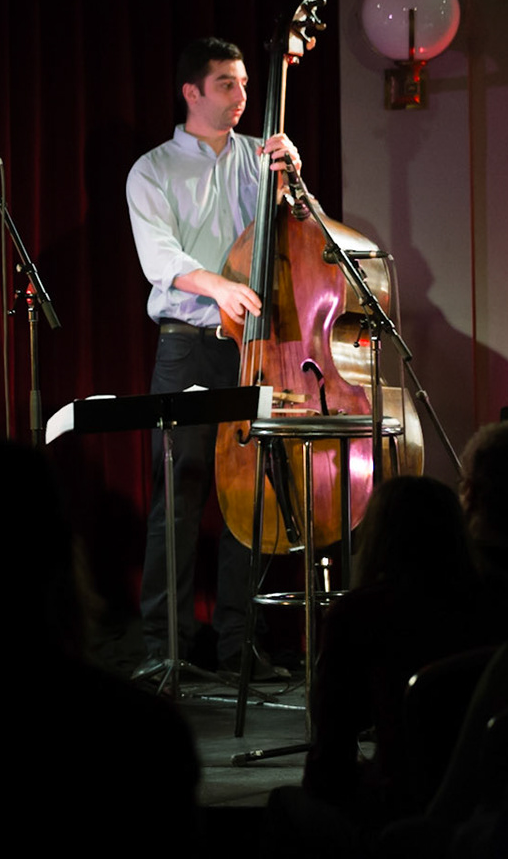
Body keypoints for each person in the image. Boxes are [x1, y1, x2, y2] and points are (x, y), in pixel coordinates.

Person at [126, 38, 301, 677]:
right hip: (189, 346)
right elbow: (162, 261)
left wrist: (295, 183)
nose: (243, 97)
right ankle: (163, 649)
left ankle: (238, 647)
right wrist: (218, 282)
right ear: (192, 92)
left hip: (254, 348)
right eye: (227, 84)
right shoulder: (152, 170)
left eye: (247, 85)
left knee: (248, 499)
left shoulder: (262, 159)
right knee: (179, 496)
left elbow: (297, 238)